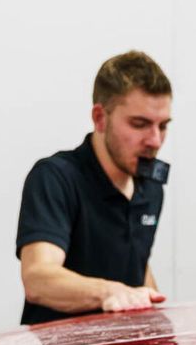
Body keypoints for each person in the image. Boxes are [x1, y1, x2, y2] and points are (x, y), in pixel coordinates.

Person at [15, 50, 172, 324]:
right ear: (100, 118)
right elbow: (38, 277)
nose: (155, 140)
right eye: (140, 124)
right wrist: (109, 292)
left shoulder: (151, 189)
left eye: (163, 126)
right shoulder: (55, 178)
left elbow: (136, 264)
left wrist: (156, 314)